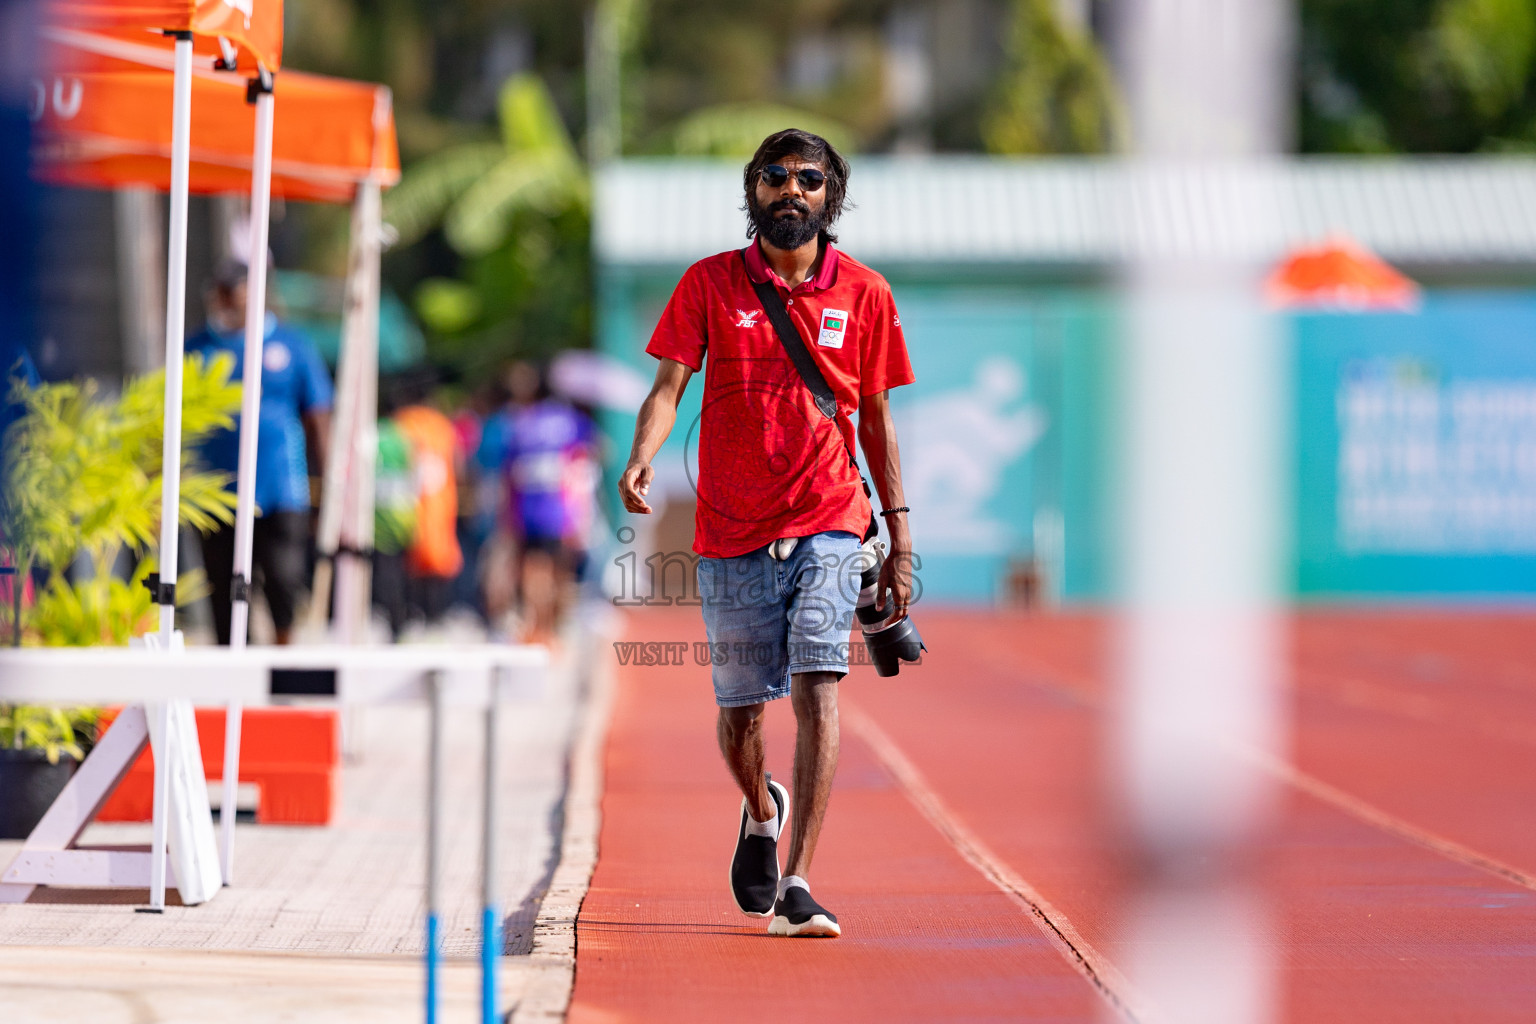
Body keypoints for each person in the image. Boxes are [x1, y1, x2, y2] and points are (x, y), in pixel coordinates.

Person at [618, 129, 915, 938]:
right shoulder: (709, 283)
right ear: (752, 190)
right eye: (774, 177)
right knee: (742, 714)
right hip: (731, 528)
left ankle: (799, 883)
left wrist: (899, 537)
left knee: (821, 684)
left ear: (833, 196)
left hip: (828, 517)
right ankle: (760, 806)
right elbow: (667, 386)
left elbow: (880, 421)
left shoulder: (866, 294)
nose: (791, 190)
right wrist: (642, 454)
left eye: (808, 179)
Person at [193, 260, 332, 645]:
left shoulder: (292, 345)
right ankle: (233, 670)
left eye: (237, 293)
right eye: (222, 294)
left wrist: (328, 482)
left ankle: (281, 662)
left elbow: (319, 416)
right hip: (216, 492)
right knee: (223, 585)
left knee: (284, 579)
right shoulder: (196, 349)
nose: (229, 303)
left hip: (281, 487)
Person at [487, 361, 595, 646]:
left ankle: (538, 627)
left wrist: (506, 515)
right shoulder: (571, 422)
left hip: (527, 511)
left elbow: (508, 473)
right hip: (561, 511)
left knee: (533, 570)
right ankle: (553, 628)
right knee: (560, 572)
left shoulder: (520, 423)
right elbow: (593, 455)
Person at [392, 376, 465, 628]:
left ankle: (408, 617)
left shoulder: (401, 423)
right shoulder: (442, 425)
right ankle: (435, 618)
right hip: (440, 502)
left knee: (406, 561)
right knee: (437, 560)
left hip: (405, 505)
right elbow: (459, 464)